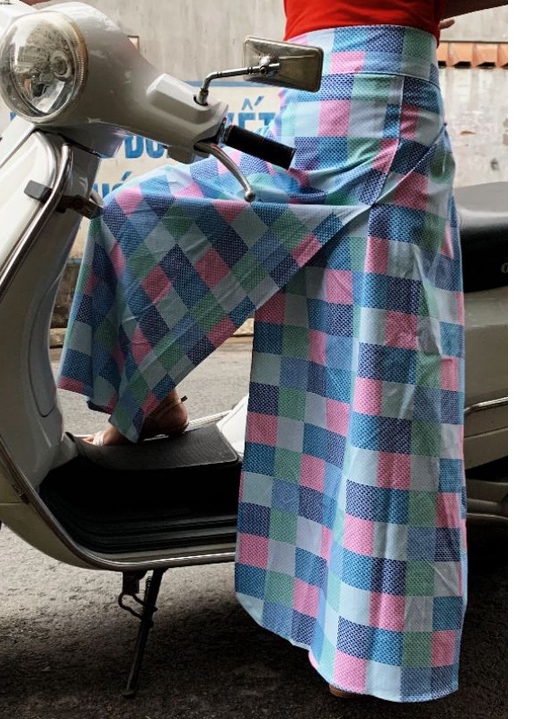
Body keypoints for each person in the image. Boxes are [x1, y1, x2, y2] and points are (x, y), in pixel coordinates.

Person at [29, 0, 507, 702]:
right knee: (131, 214)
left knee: (380, 392)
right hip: (298, 124)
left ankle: (367, 649)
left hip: (385, 131)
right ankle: (153, 403)